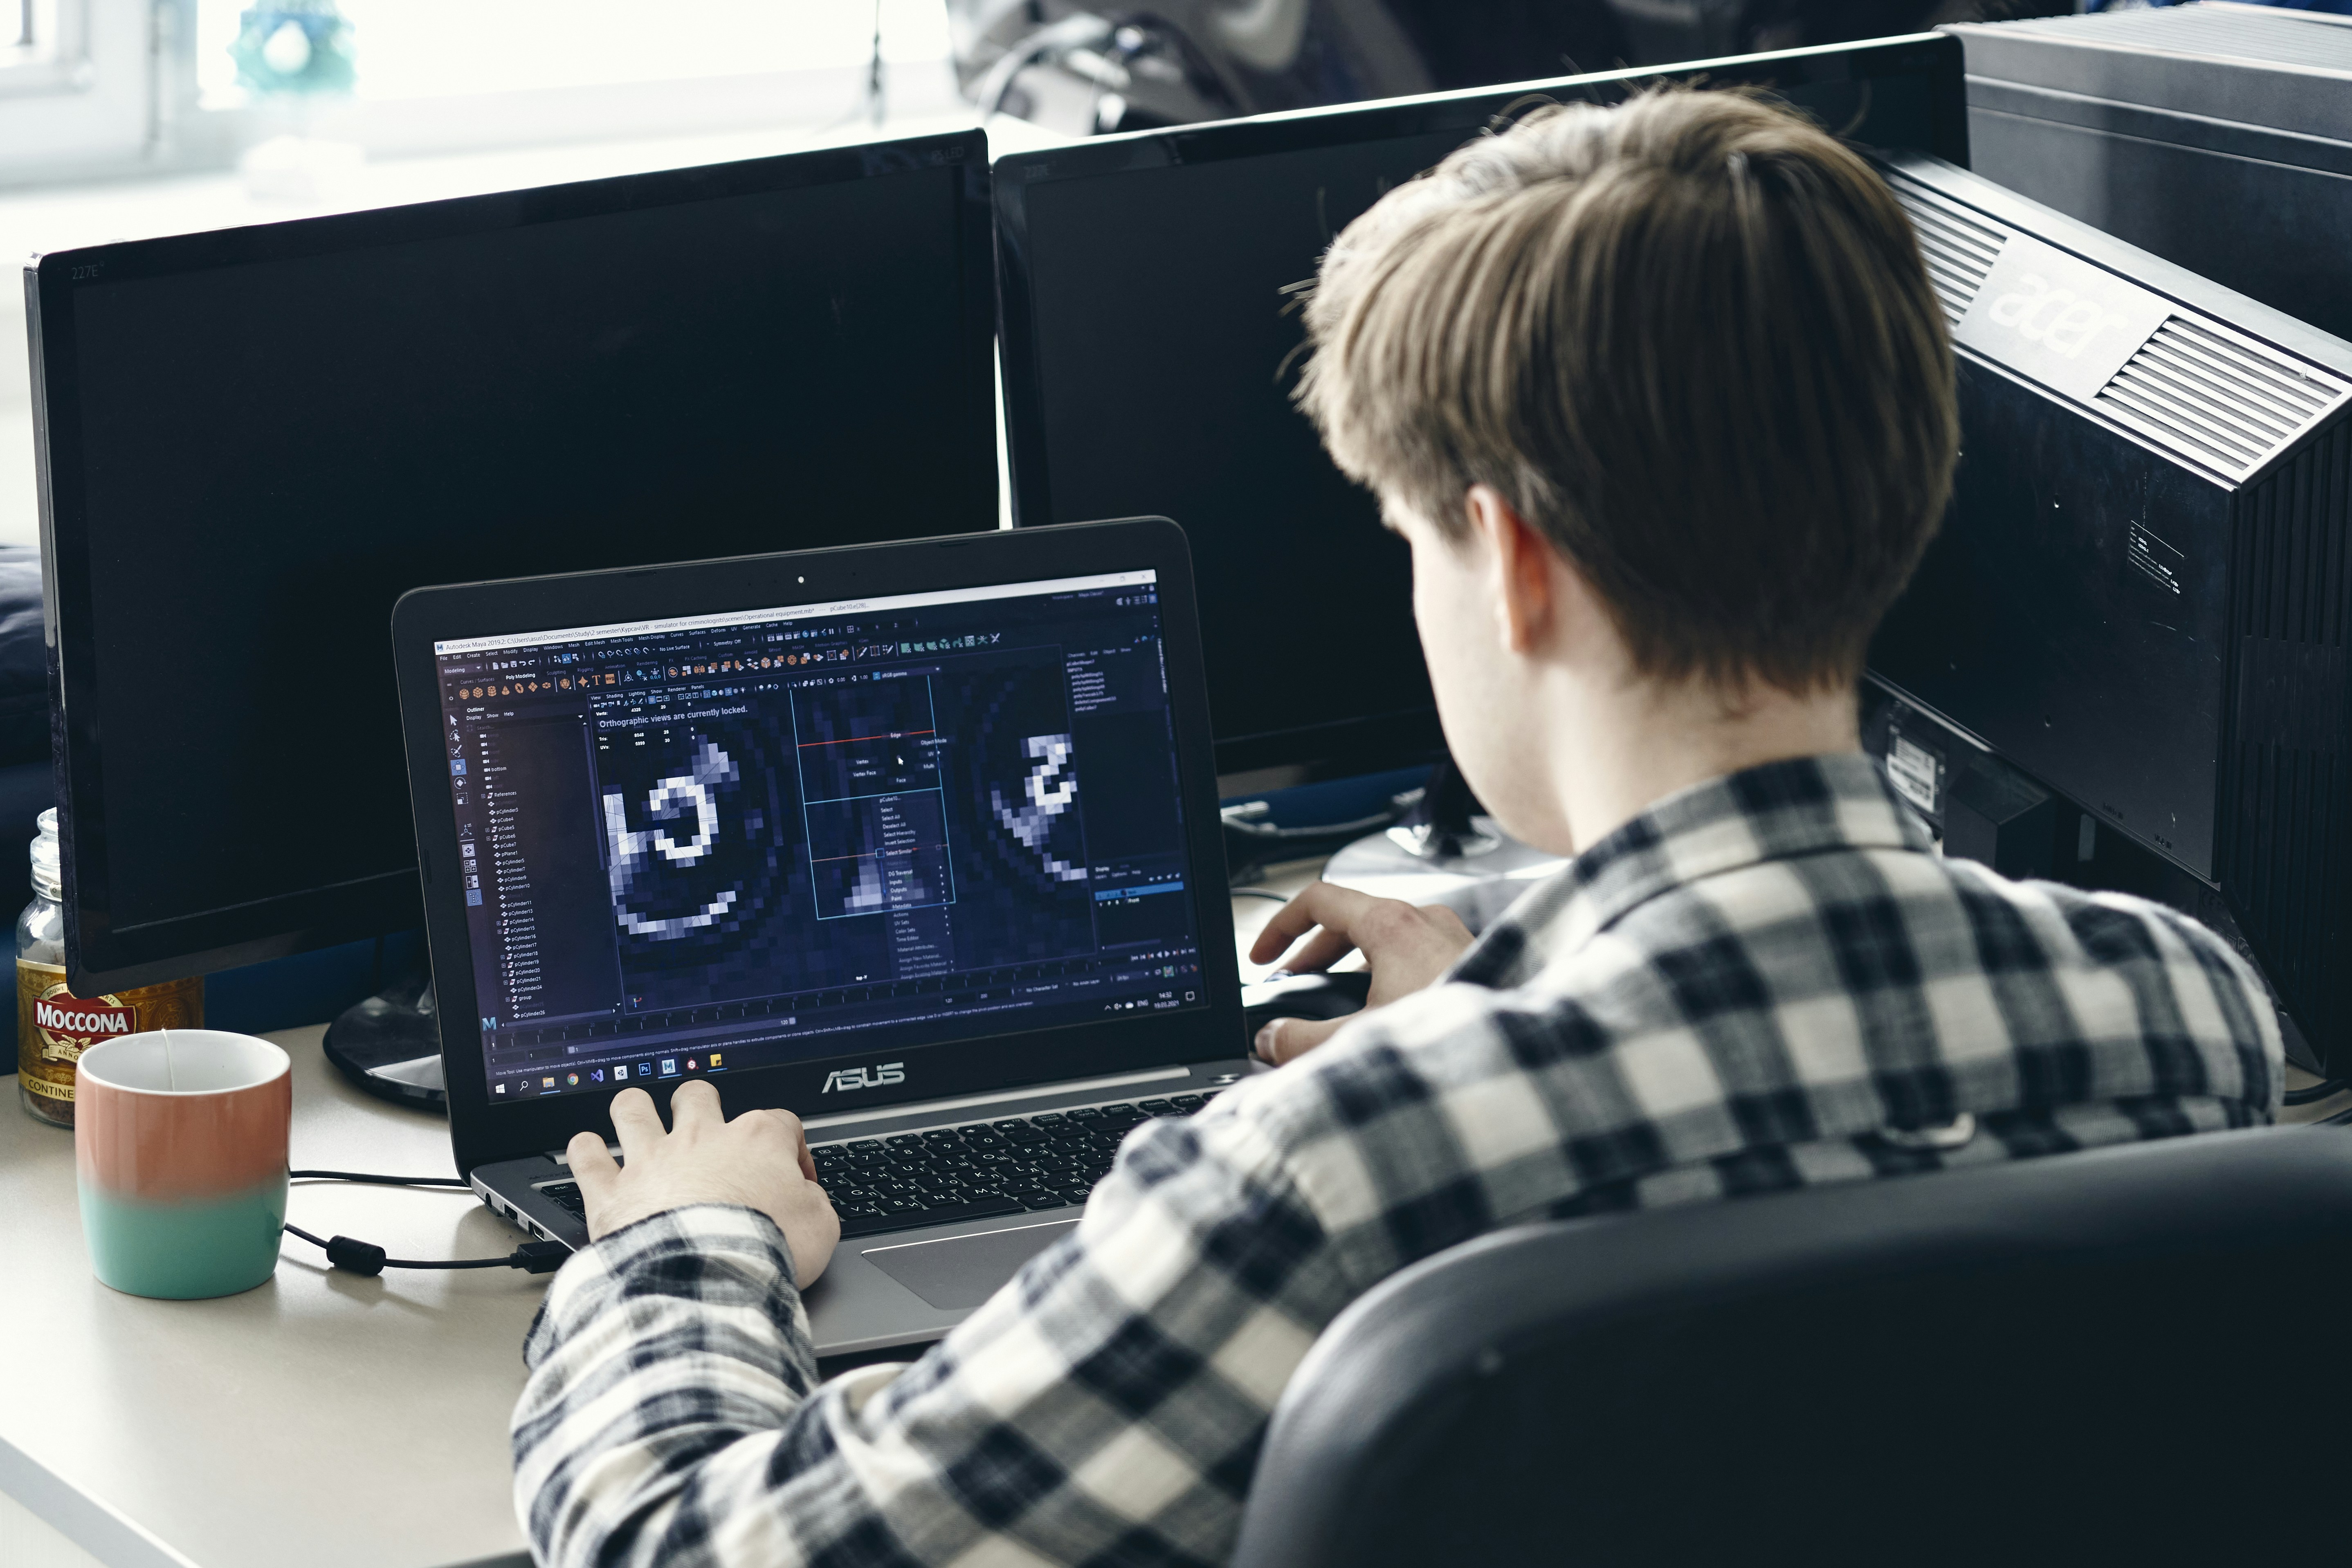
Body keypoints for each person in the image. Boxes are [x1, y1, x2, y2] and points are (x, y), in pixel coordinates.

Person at [510, 88, 2282, 1568]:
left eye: (1408, 539)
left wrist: (681, 1239)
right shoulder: (2188, 1015)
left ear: (1507, 562)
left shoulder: (1328, 1168)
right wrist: (1504, 998)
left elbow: (684, 1549)